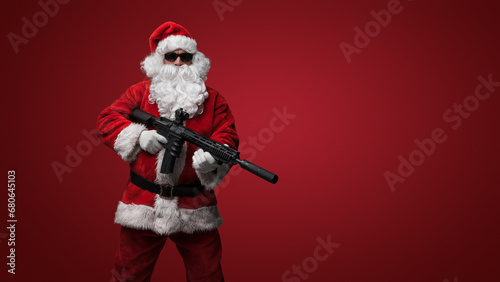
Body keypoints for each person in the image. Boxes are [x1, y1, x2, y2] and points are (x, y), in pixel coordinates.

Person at [96, 21, 238, 282]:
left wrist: (213, 159)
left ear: (196, 60)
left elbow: (226, 135)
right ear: (159, 59)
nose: (178, 63)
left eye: (186, 57)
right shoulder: (139, 93)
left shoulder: (214, 99)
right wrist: (140, 136)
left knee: (207, 275)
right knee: (128, 275)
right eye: (171, 56)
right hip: (143, 202)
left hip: (195, 206)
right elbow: (107, 119)